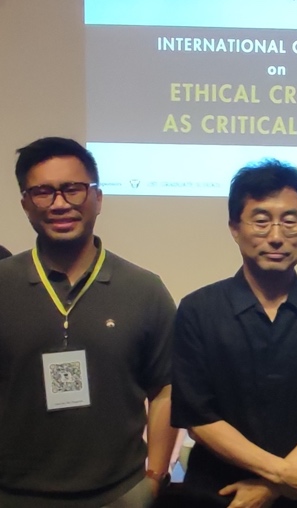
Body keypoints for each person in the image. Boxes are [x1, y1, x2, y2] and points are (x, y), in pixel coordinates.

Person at [0, 137, 177, 507]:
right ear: (25, 204)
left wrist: (154, 478)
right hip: (13, 494)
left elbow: (165, 388)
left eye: (73, 189)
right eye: (43, 192)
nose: (60, 203)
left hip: (120, 494)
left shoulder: (144, 289)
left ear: (97, 197)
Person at [171, 159, 297, 508]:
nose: (276, 236)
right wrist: (281, 473)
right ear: (234, 228)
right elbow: (198, 417)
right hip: (222, 495)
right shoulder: (198, 310)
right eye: (261, 221)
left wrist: (270, 488)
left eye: (290, 221)